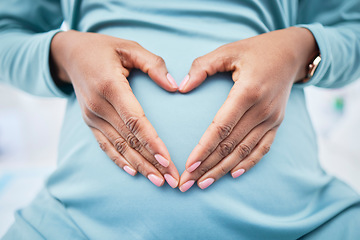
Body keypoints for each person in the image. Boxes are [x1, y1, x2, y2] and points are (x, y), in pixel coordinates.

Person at [1, 0, 360, 239]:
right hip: (71, 226)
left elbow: (352, 27)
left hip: (308, 224)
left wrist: (301, 48)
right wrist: (65, 52)